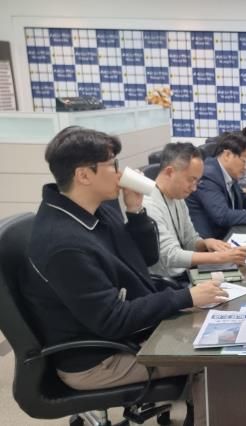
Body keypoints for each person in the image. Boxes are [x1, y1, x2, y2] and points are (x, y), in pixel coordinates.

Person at [22, 127, 227, 425]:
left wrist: (135, 211)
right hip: (97, 359)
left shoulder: (95, 211)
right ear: (84, 175)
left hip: (127, 333)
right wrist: (185, 297)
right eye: (112, 165)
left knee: (213, 327)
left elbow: (145, 259)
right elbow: (112, 319)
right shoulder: (64, 243)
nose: (120, 173)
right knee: (216, 359)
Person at [143, 142, 246, 281]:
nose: (194, 188)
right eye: (191, 180)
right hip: (167, 283)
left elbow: (189, 240)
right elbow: (170, 255)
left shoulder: (178, 197)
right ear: (170, 172)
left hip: (185, 274)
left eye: (197, 182)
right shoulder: (148, 205)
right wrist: (219, 257)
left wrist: (206, 243)